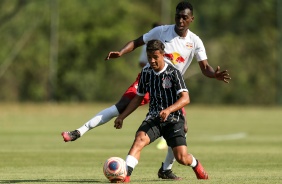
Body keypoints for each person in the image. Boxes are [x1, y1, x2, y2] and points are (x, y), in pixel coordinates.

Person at [62, 1, 231, 180]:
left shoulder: (195, 41)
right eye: (178, 16)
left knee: (183, 130)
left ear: (191, 19)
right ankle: (78, 132)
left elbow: (205, 68)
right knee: (120, 107)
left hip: (171, 88)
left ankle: (166, 169)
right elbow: (136, 42)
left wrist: (214, 75)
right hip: (149, 80)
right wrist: (121, 52)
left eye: (184, 17)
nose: (180, 20)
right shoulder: (162, 31)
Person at [114, 39, 208, 182]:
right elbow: (138, 98)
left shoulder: (174, 72)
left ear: (163, 55)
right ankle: (125, 175)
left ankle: (196, 164)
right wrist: (122, 116)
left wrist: (169, 110)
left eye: (155, 57)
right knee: (139, 140)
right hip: (154, 117)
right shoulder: (146, 72)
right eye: (149, 57)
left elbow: (185, 98)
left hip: (174, 119)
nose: (151, 61)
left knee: (182, 158)